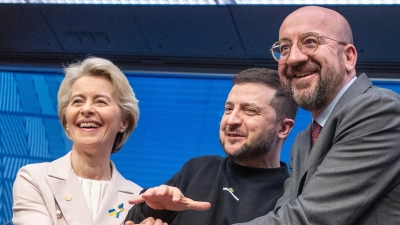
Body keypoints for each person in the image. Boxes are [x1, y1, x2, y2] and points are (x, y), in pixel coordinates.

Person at [233, 6, 400, 225]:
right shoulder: (304, 140)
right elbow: (286, 212)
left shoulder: (379, 110)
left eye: (310, 42)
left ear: (348, 57)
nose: (293, 58)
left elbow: (309, 218)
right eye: (283, 48)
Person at [124, 68, 298, 225]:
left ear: (283, 128)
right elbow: (132, 221)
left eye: (249, 110)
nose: (231, 120)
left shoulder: (289, 197)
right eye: (229, 109)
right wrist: (154, 209)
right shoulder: (197, 169)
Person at [12, 57, 143, 225]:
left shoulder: (137, 198)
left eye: (100, 101)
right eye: (78, 101)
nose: (86, 109)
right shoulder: (35, 179)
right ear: (66, 120)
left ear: (123, 122)